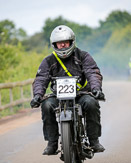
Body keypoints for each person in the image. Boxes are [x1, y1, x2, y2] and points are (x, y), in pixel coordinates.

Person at [30, 25, 105, 155]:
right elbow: (41, 78)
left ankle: (94, 140)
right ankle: (52, 143)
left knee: (92, 103)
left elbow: (92, 72)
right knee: (47, 105)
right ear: (54, 45)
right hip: (58, 96)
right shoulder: (48, 60)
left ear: (71, 42)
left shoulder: (83, 56)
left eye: (65, 42)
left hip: (81, 94)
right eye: (60, 43)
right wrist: (37, 95)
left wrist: (96, 89)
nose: (63, 46)